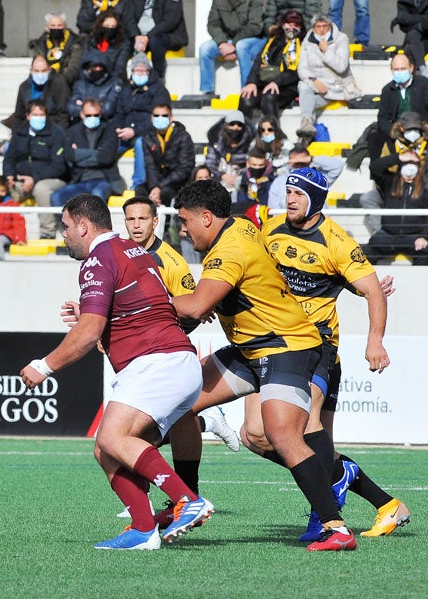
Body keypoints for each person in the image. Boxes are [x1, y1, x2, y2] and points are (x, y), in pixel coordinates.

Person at [169, 178, 356, 551]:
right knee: (179, 404)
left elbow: (193, 307)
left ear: (207, 218)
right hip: (249, 348)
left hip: (286, 345)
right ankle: (185, 501)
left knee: (282, 436)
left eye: (185, 221)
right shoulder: (238, 224)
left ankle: (338, 529)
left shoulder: (231, 249)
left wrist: (126, 307)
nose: (183, 231)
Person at [20, 194, 211, 550]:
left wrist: (43, 366)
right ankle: (143, 530)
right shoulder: (132, 249)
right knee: (107, 450)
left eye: (65, 227)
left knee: (111, 438)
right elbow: (138, 307)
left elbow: (90, 331)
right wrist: (101, 315)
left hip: (156, 363)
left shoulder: (97, 260)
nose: (63, 235)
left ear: (83, 225)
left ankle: (188, 499)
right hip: (177, 361)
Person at [259, 168, 409, 540]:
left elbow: (373, 291)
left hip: (317, 347)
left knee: (306, 429)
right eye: (288, 191)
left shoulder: (337, 242)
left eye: (299, 193)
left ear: (316, 199)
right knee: (255, 436)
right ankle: (362, 488)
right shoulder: (271, 229)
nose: (290, 198)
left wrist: (374, 342)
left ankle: (324, 511)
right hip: (274, 341)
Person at [122, 195, 241, 449]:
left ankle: (180, 484)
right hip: (131, 350)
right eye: (130, 219)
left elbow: (194, 312)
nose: (136, 225)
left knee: (137, 431)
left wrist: (162, 338)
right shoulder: (120, 253)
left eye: (142, 219)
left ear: (155, 222)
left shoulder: (172, 262)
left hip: (160, 354)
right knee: (140, 430)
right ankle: (209, 422)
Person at [3, 100, 70, 240]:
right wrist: (9, 175)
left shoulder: (56, 133)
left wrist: (34, 179)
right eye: (35, 114)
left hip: (51, 178)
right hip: (22, 178)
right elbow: (9, 158)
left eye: (41, 114)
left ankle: (48, 232)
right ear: (28, 115)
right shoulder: (19, 133)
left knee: (41, 189)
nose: (38, 118)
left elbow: (58, 166)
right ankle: (0, 233)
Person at [295, 14, 361, 142]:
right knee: (303, 86)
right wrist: (314, 81)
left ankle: (304, 136)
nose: (321, 29)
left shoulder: (341, 38)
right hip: (316, 85)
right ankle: (306, 126)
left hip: (336, 88)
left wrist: (326, 51)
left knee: (307, 102)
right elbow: (302, 68)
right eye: (318, 26)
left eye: (324, 26)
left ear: (330, 26)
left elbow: (341, 67)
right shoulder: (308, 41)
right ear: (313, 28)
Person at [363, 143, 428, 265]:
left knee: (425, 257)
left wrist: (424, 237)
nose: (409, 168)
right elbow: (375, 167)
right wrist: (399, 157)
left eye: (413, 164)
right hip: (388, 235)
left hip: (413, 237)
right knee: (364, 255)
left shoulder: (424, 187)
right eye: (406, 163)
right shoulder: (390, 182)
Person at [51, 98, 123, 207]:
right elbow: (69, 156)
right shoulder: (73, 131)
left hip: (103, 180)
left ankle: (96, 224)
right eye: (89, 115)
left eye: (96, 115)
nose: (92, 118)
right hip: (79, 181)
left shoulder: (109, 130)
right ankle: (66, 224)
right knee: (56, 197)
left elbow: (106, 158)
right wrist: (96, 154)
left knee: (96, 196)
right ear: (82, 114)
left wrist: (78, 154)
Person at [113, 52, 170, 191]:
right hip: (124, 132)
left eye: (143, 70)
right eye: (136, 70)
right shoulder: (126, 89)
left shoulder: (159, 89)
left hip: (146, 132)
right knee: (107, 145)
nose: (139, 73)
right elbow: (118, 112)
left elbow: (159, 117)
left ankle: (138, 184)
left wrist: (135, 131)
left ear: (149, 71)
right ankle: (110, 181)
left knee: (141, 144)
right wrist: (117, 128)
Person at [238, 10, 305, 122]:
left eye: (296, 25)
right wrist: (252, 82)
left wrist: (277, 81)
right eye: (289, 24)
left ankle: (273, 134)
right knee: (246, 97)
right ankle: (242, 133)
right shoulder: (273, 40)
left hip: (287, 86)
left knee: (269, 96)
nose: (291, 28)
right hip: (265, 81)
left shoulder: (303, 43)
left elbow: (298, 71)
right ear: (283, 24)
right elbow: (259, 61)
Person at [198, 0, 267, 95]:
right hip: (227, 39)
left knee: (241, 47)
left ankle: (246, 89)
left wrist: (233, 45)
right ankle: (207, 91)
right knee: (204, 49)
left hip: (252, 38)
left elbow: (255, 26)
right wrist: (222, 43)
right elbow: (212, 25)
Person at [135, 103, 194, 208]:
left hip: (177, 182)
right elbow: (150, 166)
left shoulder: (183, 137)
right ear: (152, 118)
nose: (160, 118)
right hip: (158, 181)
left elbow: (184, 168)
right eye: (157, 116)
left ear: (171, 118)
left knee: (166, 192)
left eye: (164, 115)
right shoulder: (148, 138)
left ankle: (166, 223)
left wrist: (159, 187)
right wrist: (155, 186)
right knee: (140, 190)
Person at [372, 53, 428, 161]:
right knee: (374, 138)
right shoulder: (387, 90)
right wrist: (393, 132)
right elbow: (383, 117)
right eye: (396, 69)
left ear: (411, 68)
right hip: (398, 133)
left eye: (403, 68)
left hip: (422, 131)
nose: (400, 72)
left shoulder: (424, 84)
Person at [118, 0, 188, 81]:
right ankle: (120, 81)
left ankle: (158, 79)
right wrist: (136, 35)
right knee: (122, 44)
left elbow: (171, 20)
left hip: (164, 35)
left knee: (156, 42)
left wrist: (148, 37)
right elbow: (128, 17)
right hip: (138, 36)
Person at [2, 54, 71, 132]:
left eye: (43, 71)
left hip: (52, 131)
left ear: (49, 70)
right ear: (31, 71)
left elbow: (63, 115)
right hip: (29, 131)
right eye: (37, 71)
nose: (40, 74)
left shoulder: (59, 84)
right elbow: (19, 116)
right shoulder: (24, 87)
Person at [267, 144, 344, 210]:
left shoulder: (318, 179)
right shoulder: (278, 182)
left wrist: (311, 158)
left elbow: (338, 166)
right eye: (296, 163)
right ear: (289, 162)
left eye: (303, 163)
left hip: (317, 225)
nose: (299, 167)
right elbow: (274, 210)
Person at [205, 110, 256, 192]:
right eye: (232, 124)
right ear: (226, 125)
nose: (236, 127)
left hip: (242, 179)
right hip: (218, 178)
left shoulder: (249, 142)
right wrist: (222, 175)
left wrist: (239, 176)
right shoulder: (216, 140)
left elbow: (253, 163)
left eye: (239, 125)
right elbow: (210, 162)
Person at [76, 9, 129, 82]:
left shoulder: (123, 44)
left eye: (113, 26)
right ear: (100, 25)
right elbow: (83, 64)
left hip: (110, 83)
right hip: (89, 79)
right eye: (107, 26)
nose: (110, 29)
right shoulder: (89, 42)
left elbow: (119, 69)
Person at [29, 12, 81, 85]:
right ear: (46, 27)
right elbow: (37, 67)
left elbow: (73, 70)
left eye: (60, 25)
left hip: (68, 84)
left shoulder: (75, 43)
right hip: (45, 84)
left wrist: (56, 81)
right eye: (52, 25)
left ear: (65, 26)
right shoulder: (40, 45)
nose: (56, 28)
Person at [69, 56, 124, 124]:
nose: (97, 69)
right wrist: (99, 105)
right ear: (88, 68)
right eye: (94, 67)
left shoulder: (114, 83)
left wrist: (83, 105)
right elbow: (71, 108)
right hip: (80, 124)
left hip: (105, 125)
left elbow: (108, 110)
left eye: (100, 67)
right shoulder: (80, 84)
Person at [394, 1, 428, 75]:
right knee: (412, 36)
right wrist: (420, 24)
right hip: (414, 39)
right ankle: (422, 70)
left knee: (409, 48)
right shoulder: (403, 1)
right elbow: (403, 22)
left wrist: (414, 22)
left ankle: (420, 70)